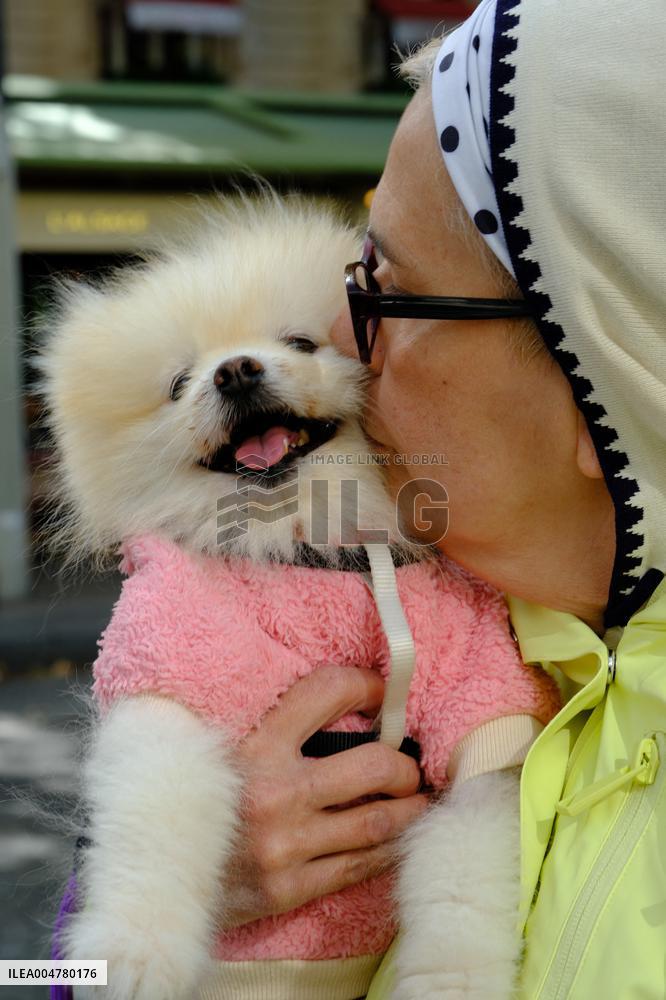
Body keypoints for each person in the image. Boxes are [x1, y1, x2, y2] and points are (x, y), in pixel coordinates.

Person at [227, 0, 666, 996]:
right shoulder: (373, 608)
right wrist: (169, 913)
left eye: (384, 287)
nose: (335, 336)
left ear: (604, 382)